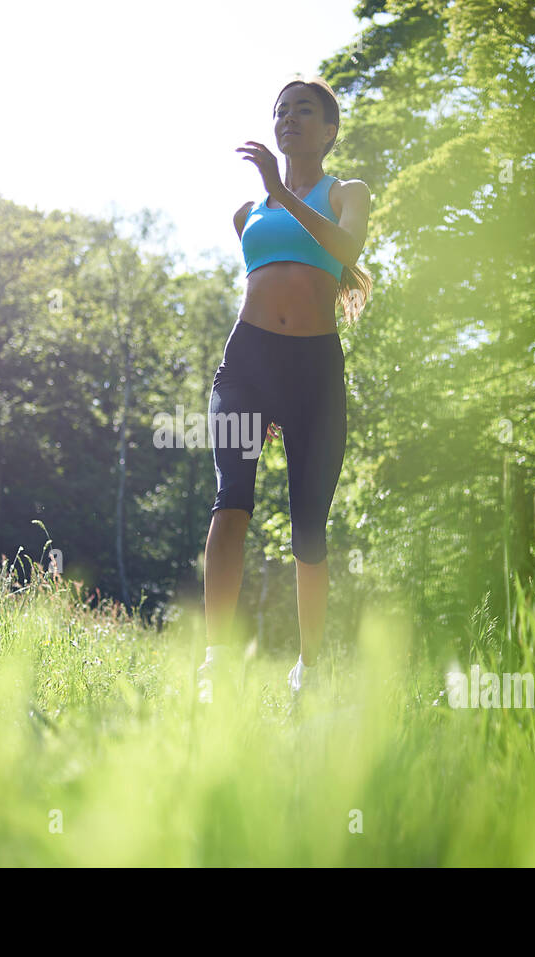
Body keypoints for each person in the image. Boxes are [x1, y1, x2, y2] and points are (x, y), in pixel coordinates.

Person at [198, 76, 373, 706]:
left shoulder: (347, 192)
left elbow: (346, 247)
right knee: (232, 496)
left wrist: (281, 191)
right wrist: (269, 196)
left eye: (304, 111)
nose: (289, 118)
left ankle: (309, 670)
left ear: (329, 131)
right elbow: (266, 284)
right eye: (281, 111)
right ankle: (216, 663)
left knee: (309, 528)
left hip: (314, 371)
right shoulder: (247, 214)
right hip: (248, 363)